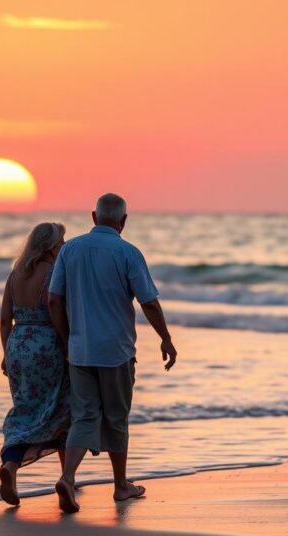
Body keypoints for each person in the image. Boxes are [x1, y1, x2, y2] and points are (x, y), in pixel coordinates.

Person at [48, 192, 177, 513]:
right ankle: (120, 486)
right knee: (116, 418)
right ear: (124, 220)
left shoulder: (70, 250)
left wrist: (67, 339)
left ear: (94, 216)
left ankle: (67, 477)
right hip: (116, 350)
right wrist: (166, 338)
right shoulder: (128, 252)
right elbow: (148, 301)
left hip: (80, 349)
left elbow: (53, 299)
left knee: (84, 416)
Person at [0, 222, 73, 506]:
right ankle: (67, 479)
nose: (64, 246)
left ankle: (11, 466)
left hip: (18, 345)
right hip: (47, 345)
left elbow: (5, 319)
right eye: (62, 241)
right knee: (64, 409)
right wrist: (66, 343)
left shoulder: (15, 274)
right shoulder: (54, 272)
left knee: (25, 410)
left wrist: (7, 351)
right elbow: (55, 307)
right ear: (52, 245)